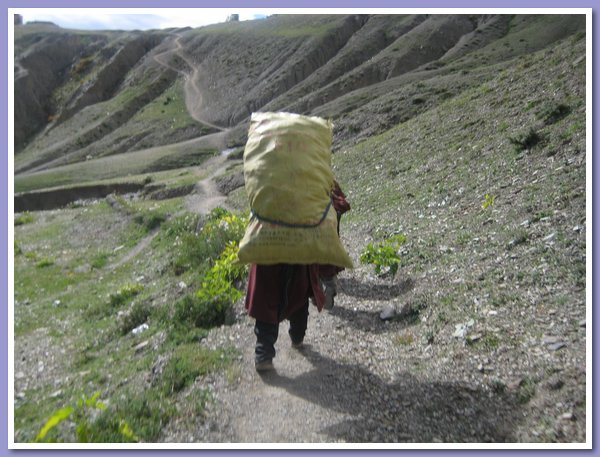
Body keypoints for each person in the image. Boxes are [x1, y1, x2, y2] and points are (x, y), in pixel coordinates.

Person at [245, 181, 350, 372]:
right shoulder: (308, 170)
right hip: (299, 241)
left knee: (267, 294)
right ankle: (297, 339)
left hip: (268, 238)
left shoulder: (269, 171)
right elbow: (330, 204)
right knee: (299, 293)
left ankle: (263, 354)